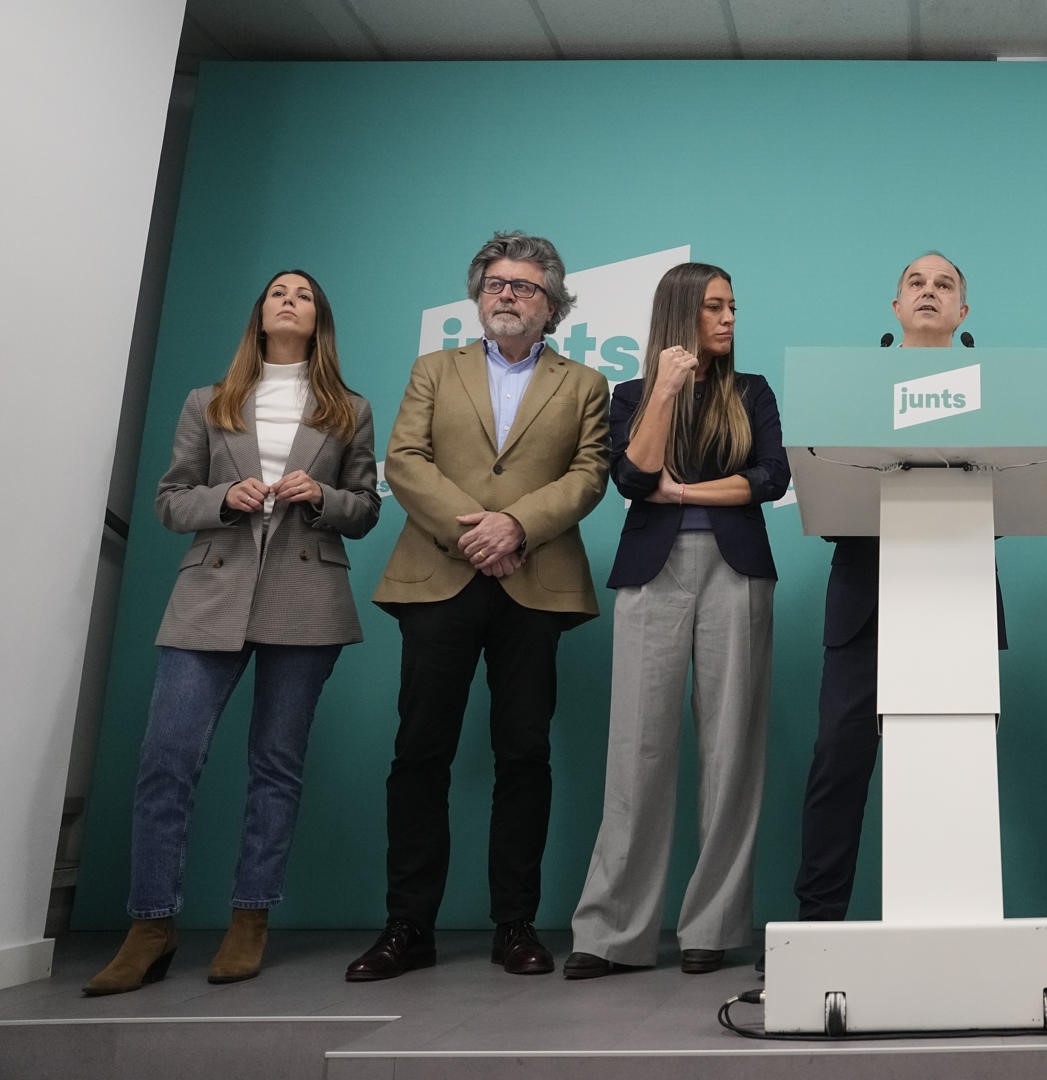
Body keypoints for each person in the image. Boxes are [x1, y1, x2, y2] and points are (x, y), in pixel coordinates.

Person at [85, 270, 380, 995]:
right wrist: (224, 497)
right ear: (260, 312)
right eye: (279, 291)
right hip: (210, 593)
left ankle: (251, 918)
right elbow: (169, 499)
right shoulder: (209, 402)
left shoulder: (349, 409)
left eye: (306, 294)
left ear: (320, 320)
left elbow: (366, 507)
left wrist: (322, 497)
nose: (290, 299)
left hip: (306, 596)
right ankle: (151, 925)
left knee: (275, 766)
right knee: (166, 762)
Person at [346, 232, 610, 982]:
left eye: (524, 286)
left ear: (552, 304)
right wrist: (478, 532)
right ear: (477, 294)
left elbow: (590, 473)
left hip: (536, 581)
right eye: (495, 283)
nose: (507, 294)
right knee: (420, 754)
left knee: (524, 756)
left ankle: (515, 926)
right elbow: (405, 459)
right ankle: (408, 927)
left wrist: (517, 525)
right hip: (439, 575)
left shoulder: (585, 383)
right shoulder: (435, 369)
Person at [565, 263, 789, 978]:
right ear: (681, 314)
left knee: (731, 754)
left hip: (739, 572)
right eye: (714, 308)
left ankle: (711, 929)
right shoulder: (631, 393)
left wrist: (686, 490)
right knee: (637, 751)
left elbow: (771, 478)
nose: (728, 319)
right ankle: (611, 934)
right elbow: (632, 477)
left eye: (732, 306)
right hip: (650, 575)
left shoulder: (752, 393)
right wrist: (664, 388)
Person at [792, 252, 994, 923]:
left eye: (944, 285)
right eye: (916, 283)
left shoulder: (995, 390)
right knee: (838, 765)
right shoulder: (855, 387)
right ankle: (816, 932)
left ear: (963, 312)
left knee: (950, 768)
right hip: (865, 600)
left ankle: (955, 927)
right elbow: (825, 486)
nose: (929, 292)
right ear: (896, 307)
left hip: (956, 594)